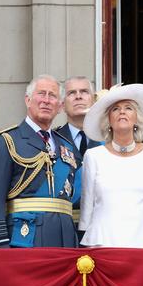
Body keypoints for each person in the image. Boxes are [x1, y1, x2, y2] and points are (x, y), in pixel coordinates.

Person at [0, 74, 79, 248]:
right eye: (41, 94)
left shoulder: (68, 147)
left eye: (53, 96)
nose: (47, 100)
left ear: (60, 106)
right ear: (28, 100)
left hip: (65, 240)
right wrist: (0, 244)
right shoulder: (6, 142)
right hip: (24, 239)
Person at [79, 83, 143, 248]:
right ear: (108, 120)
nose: (122, 111)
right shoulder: (93, 156)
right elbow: (87, 209)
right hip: (104, 244)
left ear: (137, 117)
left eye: (128, 108)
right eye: (115, 109)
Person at [54, 76, 99, 228]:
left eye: (84, 92)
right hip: (63, 226)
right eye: (71, 93)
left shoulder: (108, 142)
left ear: (93, 100)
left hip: (100, 227)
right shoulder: (52, 141)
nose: (78, 96)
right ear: (62, 105)